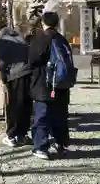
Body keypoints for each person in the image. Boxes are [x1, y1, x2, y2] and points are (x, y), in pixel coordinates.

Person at [29, 11, 76, 160]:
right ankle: (61, 144)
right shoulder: (62, 39)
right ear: (56, 23)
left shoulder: (41, 38)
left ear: (43, 23)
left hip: (45, 84)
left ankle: (40, 147)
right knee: (60, 116)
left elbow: (32, 59)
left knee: (42, 115)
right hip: (62, 85)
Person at [0, 25, 32, 147]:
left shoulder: (1, 41)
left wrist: (4, 80)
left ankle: (11, 135)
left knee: (13, 105)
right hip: (28, 73)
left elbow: (2, 63)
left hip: (14, 75)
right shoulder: (20, 38)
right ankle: (22, 134)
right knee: (26, 104)